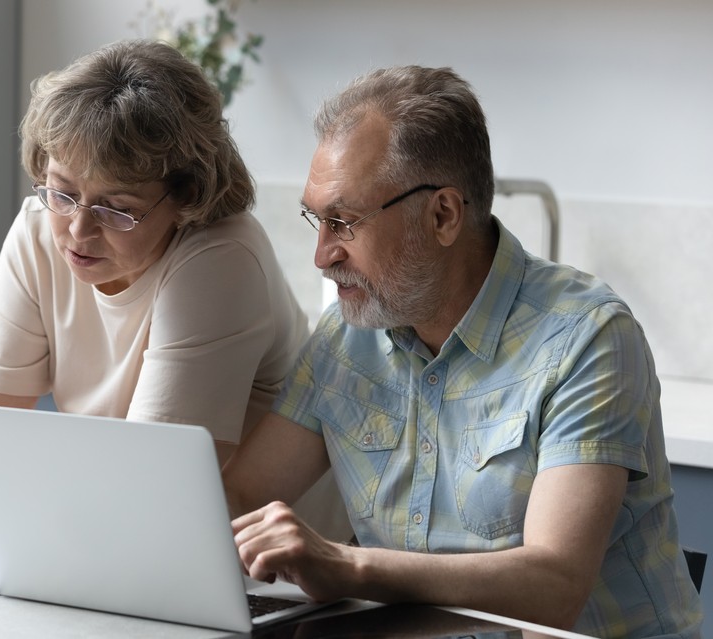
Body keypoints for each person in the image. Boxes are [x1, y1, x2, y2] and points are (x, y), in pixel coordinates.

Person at [222, 65, 703, 638]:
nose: (322, 256)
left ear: (443, 215)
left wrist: (350, 567)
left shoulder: (588, 337)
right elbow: (240, 495)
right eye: (316, 221)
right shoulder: (346, 338)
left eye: (343, 222)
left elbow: (555, 586)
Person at [0, 39, 309, 533]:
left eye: (117, 208)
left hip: (272, 560)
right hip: (138, 534)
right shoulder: (38, 228)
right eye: (63, 192)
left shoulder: (221, 256)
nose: (77, 229)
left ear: (187, 196)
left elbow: (150, 475)